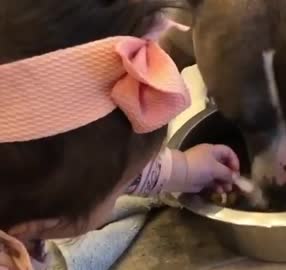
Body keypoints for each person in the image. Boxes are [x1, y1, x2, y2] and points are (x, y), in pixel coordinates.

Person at [0, 1, 239, 269]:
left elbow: (108, 172)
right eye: (115, 194)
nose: (123, 189)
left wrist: (183, 169)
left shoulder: (31, 185)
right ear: (46, 224)